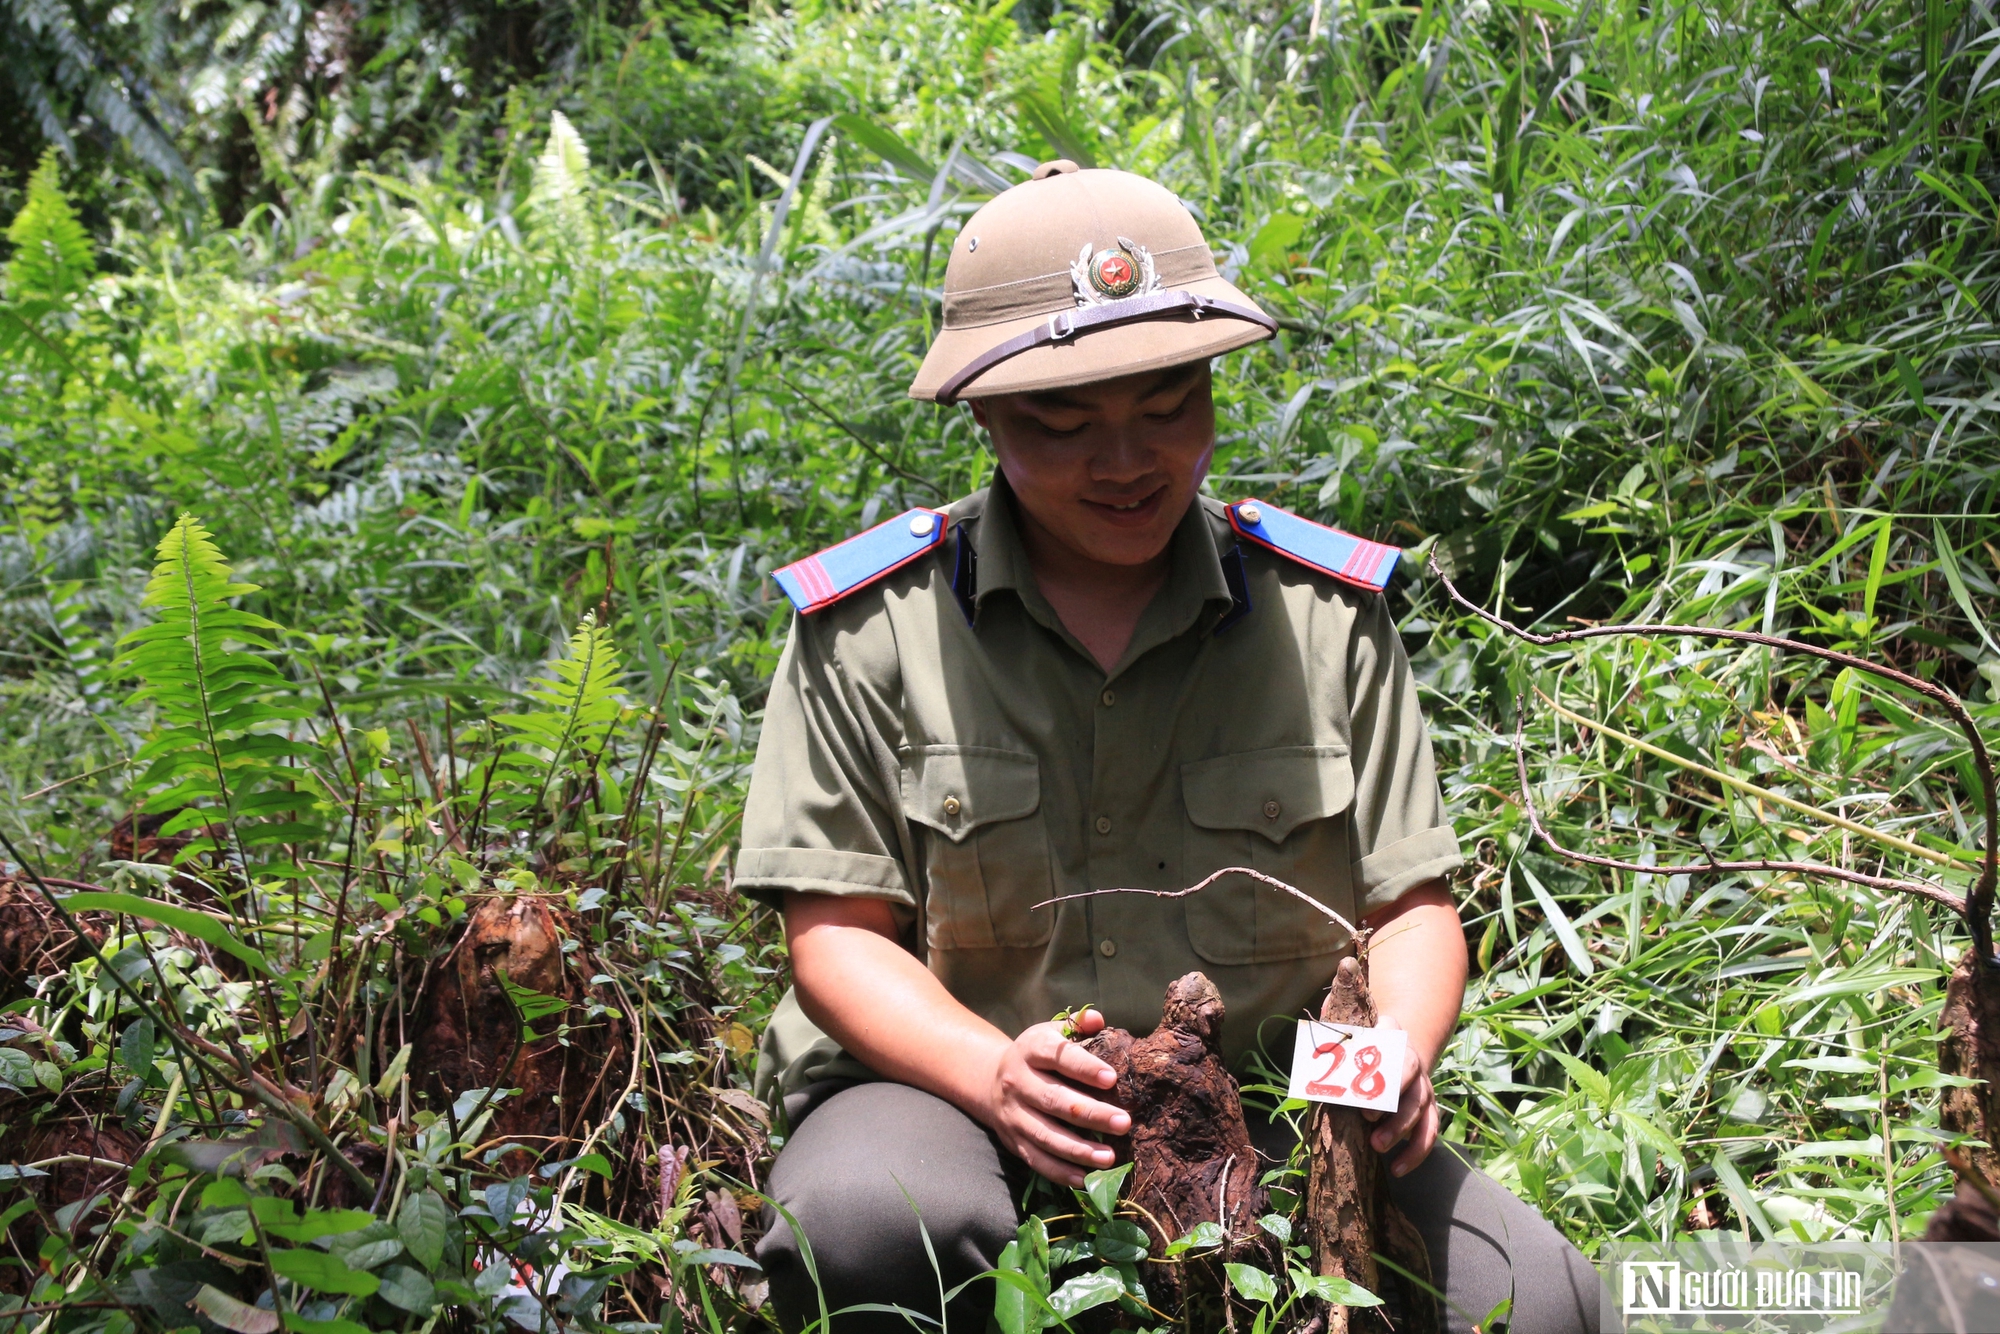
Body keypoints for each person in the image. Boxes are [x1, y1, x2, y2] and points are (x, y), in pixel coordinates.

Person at [734, 160, 1601, 1334]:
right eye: (1062, 421)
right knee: (867, 1223)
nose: (1127, 461)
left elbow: (1409, 906)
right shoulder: (875, 626)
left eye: (1166, 405)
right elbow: (834, 936)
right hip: (949, 1098)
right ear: (982, 412)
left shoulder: (1322, 614)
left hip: (1276, 1109)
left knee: (1538, 1302)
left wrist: (1389, 1055)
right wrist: (994, 1076)